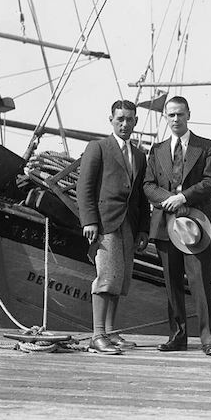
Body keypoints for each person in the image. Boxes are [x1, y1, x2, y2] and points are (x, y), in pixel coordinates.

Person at [143, 96, 211, 357]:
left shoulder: (205, 147)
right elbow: (148, 185)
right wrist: (168, 200)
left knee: (200, 282)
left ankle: (208, 339)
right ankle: (177, 336)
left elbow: (210, 182)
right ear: (166, 117)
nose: (175, 119)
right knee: (171, 282)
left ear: (189, 114)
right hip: (166, 225)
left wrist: (183, 197)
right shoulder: (157, 150)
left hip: (196, 224)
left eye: (180, 114)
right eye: (171, 115)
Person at [77, 99, 150, 354]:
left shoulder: (140, 155)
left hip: (128, 224)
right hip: (105, 224)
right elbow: (84, 188)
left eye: (130, 119)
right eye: (120, 119)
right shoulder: (98, 148)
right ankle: (97, 336)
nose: (125, 124)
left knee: (119, 279)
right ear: (111, 120)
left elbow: (141, 197)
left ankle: (109, 331)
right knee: (106, 277)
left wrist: (143, 229)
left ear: (136, 122)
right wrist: (89, 221)